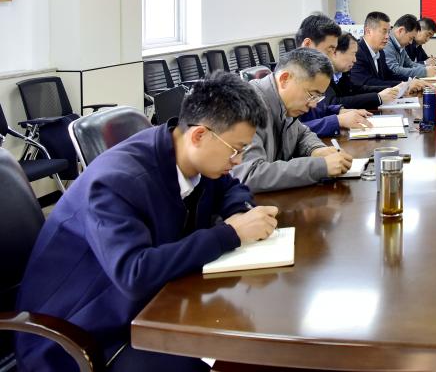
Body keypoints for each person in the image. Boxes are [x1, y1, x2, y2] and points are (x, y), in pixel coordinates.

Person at [16, 73, 278, 372]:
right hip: (81, 334)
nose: (239, 160)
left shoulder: (191, 157)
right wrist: (230, 234)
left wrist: (240, 212)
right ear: (199, 135)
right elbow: (134, 273)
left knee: (240, 334)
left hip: (144, 306)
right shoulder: (115, 181)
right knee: (220, 356)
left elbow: (231, 188)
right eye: (236, 149)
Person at [232, 48, 354, 192]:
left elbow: (302, 134)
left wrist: (316, 150)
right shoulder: (246, 107)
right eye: (312, 95)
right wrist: (321, 167)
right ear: (284, 79)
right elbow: (249, 175)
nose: (313, 105)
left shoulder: (285, 104)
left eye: (318, 97)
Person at [292, 13, 375, 137]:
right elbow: (292, 131)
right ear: (307, 45)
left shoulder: (312, 74)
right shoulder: (291, 79)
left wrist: (340, 111)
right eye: (330, 50)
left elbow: (318, 110)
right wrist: (337, 120)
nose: (332, 57)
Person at [328, 31, 402, 110]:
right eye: (353, 54)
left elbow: (353, 90)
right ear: (335, 52)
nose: (355, 60)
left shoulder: (342, 72)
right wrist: (378, 97)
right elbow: (333, 103)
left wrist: (390, 90)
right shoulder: (322, 72)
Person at [350, 11, 405, 90]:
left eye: (388, 32)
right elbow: (366, 82)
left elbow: (388, 75)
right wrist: (402, 85)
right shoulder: (357, 52)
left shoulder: (380, 52)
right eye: (384, 31)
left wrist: (409, 81)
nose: (387, 36)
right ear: (368, 31)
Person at [384, 14, 436, 80]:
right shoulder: (386, 43)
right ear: (401, 31)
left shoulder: (400, 44)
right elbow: (394, 70)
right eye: (410, 38)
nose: (411, 42)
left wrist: (426, 68)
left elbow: (410, 64)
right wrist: (424, 72)